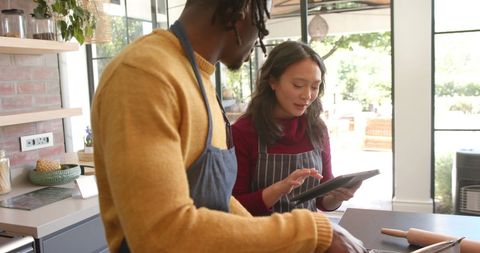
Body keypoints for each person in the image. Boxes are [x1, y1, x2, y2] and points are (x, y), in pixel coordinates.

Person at [91, 0, 367, 252]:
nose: (261, 35)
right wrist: (312, 232)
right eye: (263, 19)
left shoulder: (199, 78)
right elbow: (160, 235)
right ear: (242, 10)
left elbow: (219, 200)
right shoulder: (144, 75)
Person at [232, 41, 361, 215]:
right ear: (272, 81)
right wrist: (279, 189)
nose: (307, 96)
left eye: (315, 87)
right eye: (298, 85)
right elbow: (234, 206)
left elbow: (323, 202)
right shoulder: (243, 132)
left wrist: (339, 196)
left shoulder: (317, 128)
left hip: (310, 232)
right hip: (262, 236)